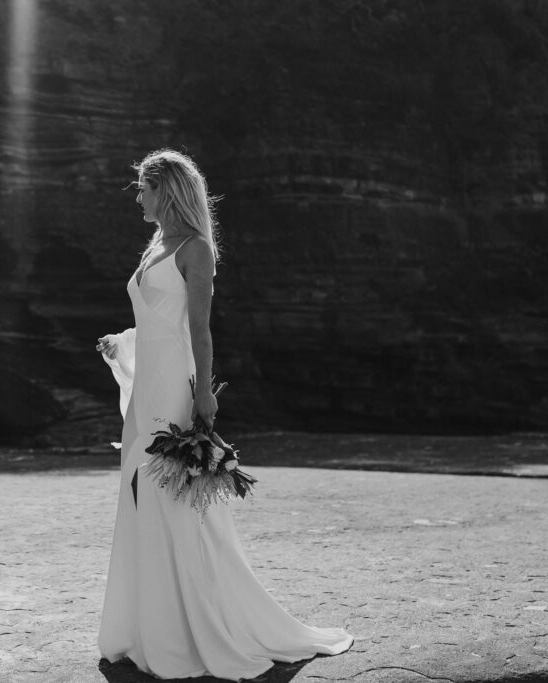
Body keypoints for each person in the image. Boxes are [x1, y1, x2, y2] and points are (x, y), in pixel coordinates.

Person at [96, 150, 353, 679]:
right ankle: (149, 625)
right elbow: (155, 321)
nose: (137, 197)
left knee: (176, 500)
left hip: (173, 388)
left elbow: (198, 330)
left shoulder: (196, 250)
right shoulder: (155, 246)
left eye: (142, 189)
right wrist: (122, 343)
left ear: (164, 190)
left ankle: (196, 628)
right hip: (148, 386)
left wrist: (204, 394)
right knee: (141, 498)